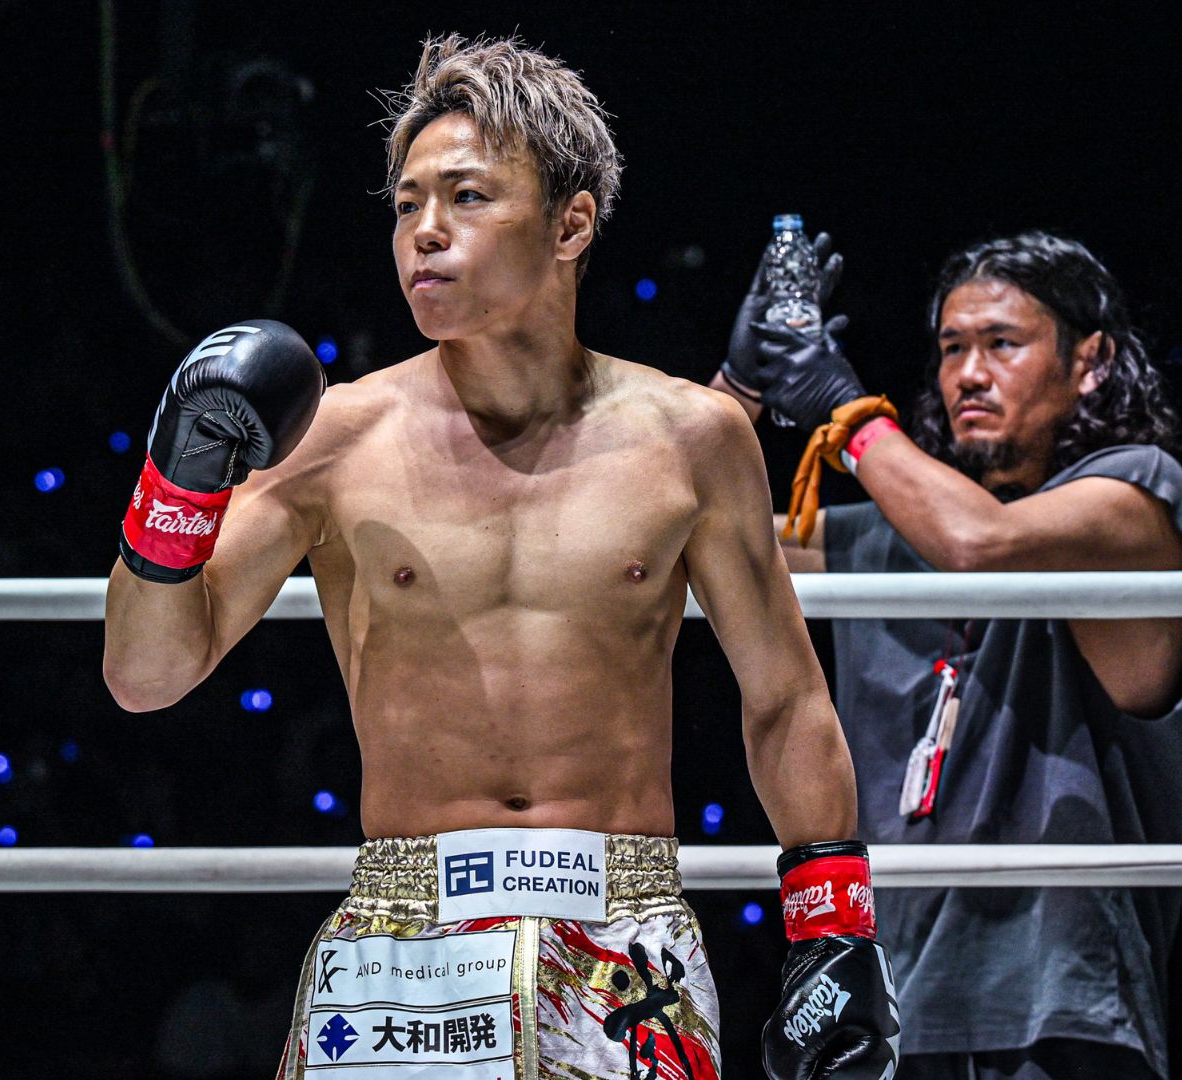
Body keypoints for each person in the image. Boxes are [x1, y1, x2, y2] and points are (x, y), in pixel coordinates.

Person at [102, 35, 900, 1080]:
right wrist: (175, 488)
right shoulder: (334, 437)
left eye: (468, 196)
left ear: (572, 223)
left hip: (624, 937)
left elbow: (785, 698)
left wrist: (832, 930)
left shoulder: (692, 436)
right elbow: (147, 673)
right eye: (406, 205)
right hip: (404, 936)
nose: (425, 231)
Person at [714, 231, 1182, 1080]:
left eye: (1002, 343)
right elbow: (673, 539)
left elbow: (979, 541)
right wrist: (735, 393)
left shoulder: (1137, 495)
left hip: (1060, 1003)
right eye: (951, 348)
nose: (969, 374)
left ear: (1091, 361)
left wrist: (849, 413)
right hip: (894, 996)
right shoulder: (895, 538)